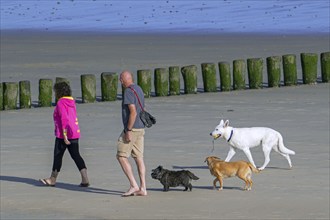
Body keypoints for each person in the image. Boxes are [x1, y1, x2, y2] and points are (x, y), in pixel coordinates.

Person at [39, 81, 89, 187]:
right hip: (74, 132)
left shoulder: (61, 102)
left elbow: (64, 119)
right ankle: (85, 179)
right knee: (76, 155)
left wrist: (65, 136)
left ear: (58, 92)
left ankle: (52, 179)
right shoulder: (71, 102)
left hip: (63, 135)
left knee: (58, 156)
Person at [117, 70, 147, 197]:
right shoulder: (138, 88)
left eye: (121, 79)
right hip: (141, 128)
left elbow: (133, 112)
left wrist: (128, 130)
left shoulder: (128, 91)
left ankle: (133, 185)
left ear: (125, 79)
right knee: (139, 158)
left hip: (133, 128)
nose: (120, 81)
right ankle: (143, 188)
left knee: (121, 156)